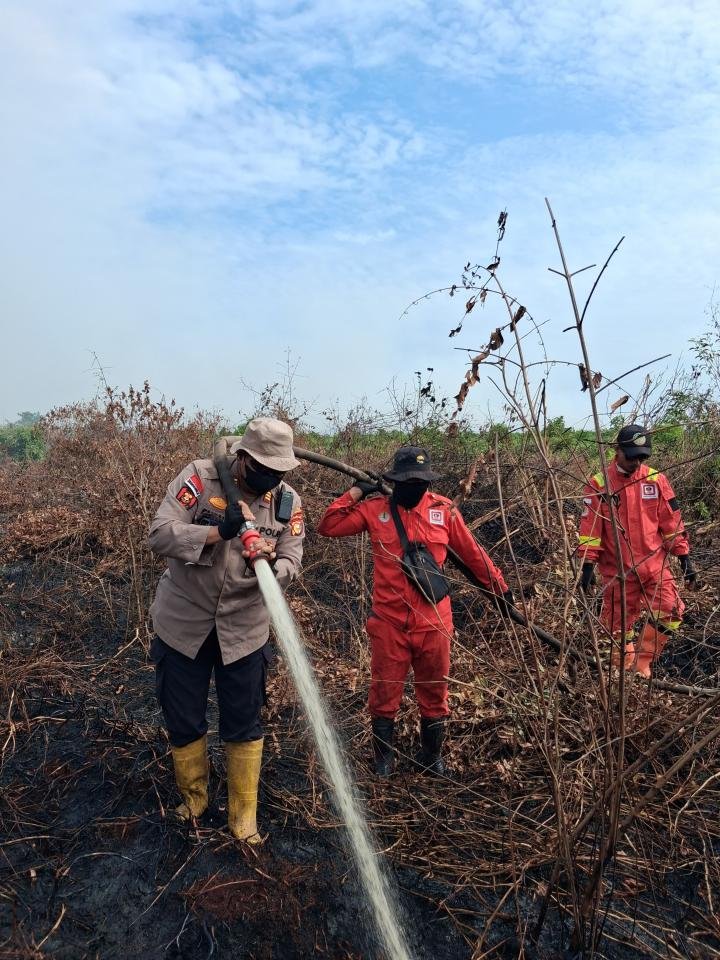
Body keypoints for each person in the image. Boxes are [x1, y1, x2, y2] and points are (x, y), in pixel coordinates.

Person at [148, 418, 304, 843]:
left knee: (243, 720)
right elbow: (159, 533)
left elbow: (294, 558)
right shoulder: (198, 479)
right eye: (262, 469)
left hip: (245, 629)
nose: (269, 479)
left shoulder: (287, 502)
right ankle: (194, 799)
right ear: (242, 458)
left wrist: (273, 564)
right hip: (185, 622)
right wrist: (218, 533)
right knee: (183, 714)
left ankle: (243, 817)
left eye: (279, 472)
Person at [317, 446, 512, 777]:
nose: (414, 486)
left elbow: (473, 553)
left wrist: (500, 589)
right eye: (407, 480)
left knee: (435, 692)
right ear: (395, 479)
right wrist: (356, 491)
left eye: (420, 481)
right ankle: (383, 761)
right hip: (389, 623)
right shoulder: (375, 509)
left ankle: (432, 760)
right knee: (384, 694)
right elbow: (328, 525)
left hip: (434, 622)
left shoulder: (444, 510)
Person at [577, 424, 696, 678]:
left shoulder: (656, 480)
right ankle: (624, 671)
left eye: (642, 457)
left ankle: (643, 663)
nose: (637, 462)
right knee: (617, 627)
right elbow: (590, 528)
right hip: (617, 573)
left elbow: (672, 522)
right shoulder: (599, 484)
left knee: (672, 613)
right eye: (632, 456)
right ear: (617, 451)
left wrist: (685, 558)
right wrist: (587, 565)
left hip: (655, 567)